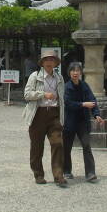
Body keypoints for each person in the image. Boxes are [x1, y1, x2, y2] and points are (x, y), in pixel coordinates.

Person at [23, 50, 67, 188]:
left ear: (55, 63)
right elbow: (27, 94)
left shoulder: (59, 78)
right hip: (38, 114)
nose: (49, 62)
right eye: (46, 60)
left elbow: (62, 98)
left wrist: (62, 115)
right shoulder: (35, 76)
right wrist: (43, 94)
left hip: (54, 113)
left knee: (57, 143)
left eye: (52, 60)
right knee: (37, 146)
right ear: (42, 63)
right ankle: (38, 174)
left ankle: (58, 174)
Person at [63, 62, 104, 182]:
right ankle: (66, 170)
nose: (75, 73)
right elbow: (68, 103)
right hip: (69, 121)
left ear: (81, 73)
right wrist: (83, 104)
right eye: (73, 70)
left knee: (86, 145)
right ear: (69, 73)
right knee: (66, 147)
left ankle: (90, 173)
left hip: (82, 121)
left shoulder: (84, 85)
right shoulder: (66, 87)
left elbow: (92, 100)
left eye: (77, 70)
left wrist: (96, 115)